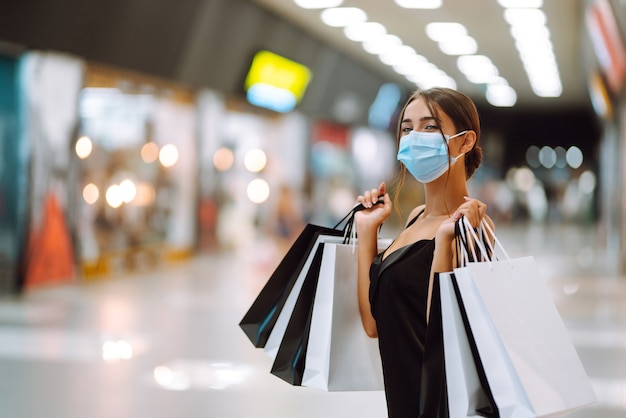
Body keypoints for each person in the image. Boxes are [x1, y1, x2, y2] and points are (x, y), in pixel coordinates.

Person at [354, 87, 493, 418]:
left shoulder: (472, 228)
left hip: (438, 407)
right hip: (402, 401)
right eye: (407, 128)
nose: (415, 137)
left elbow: (443, 338)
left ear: (465, 141)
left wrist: (445, 244)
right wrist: (367, 232)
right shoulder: (416, 217)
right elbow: (375, 325)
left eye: (430, 127)